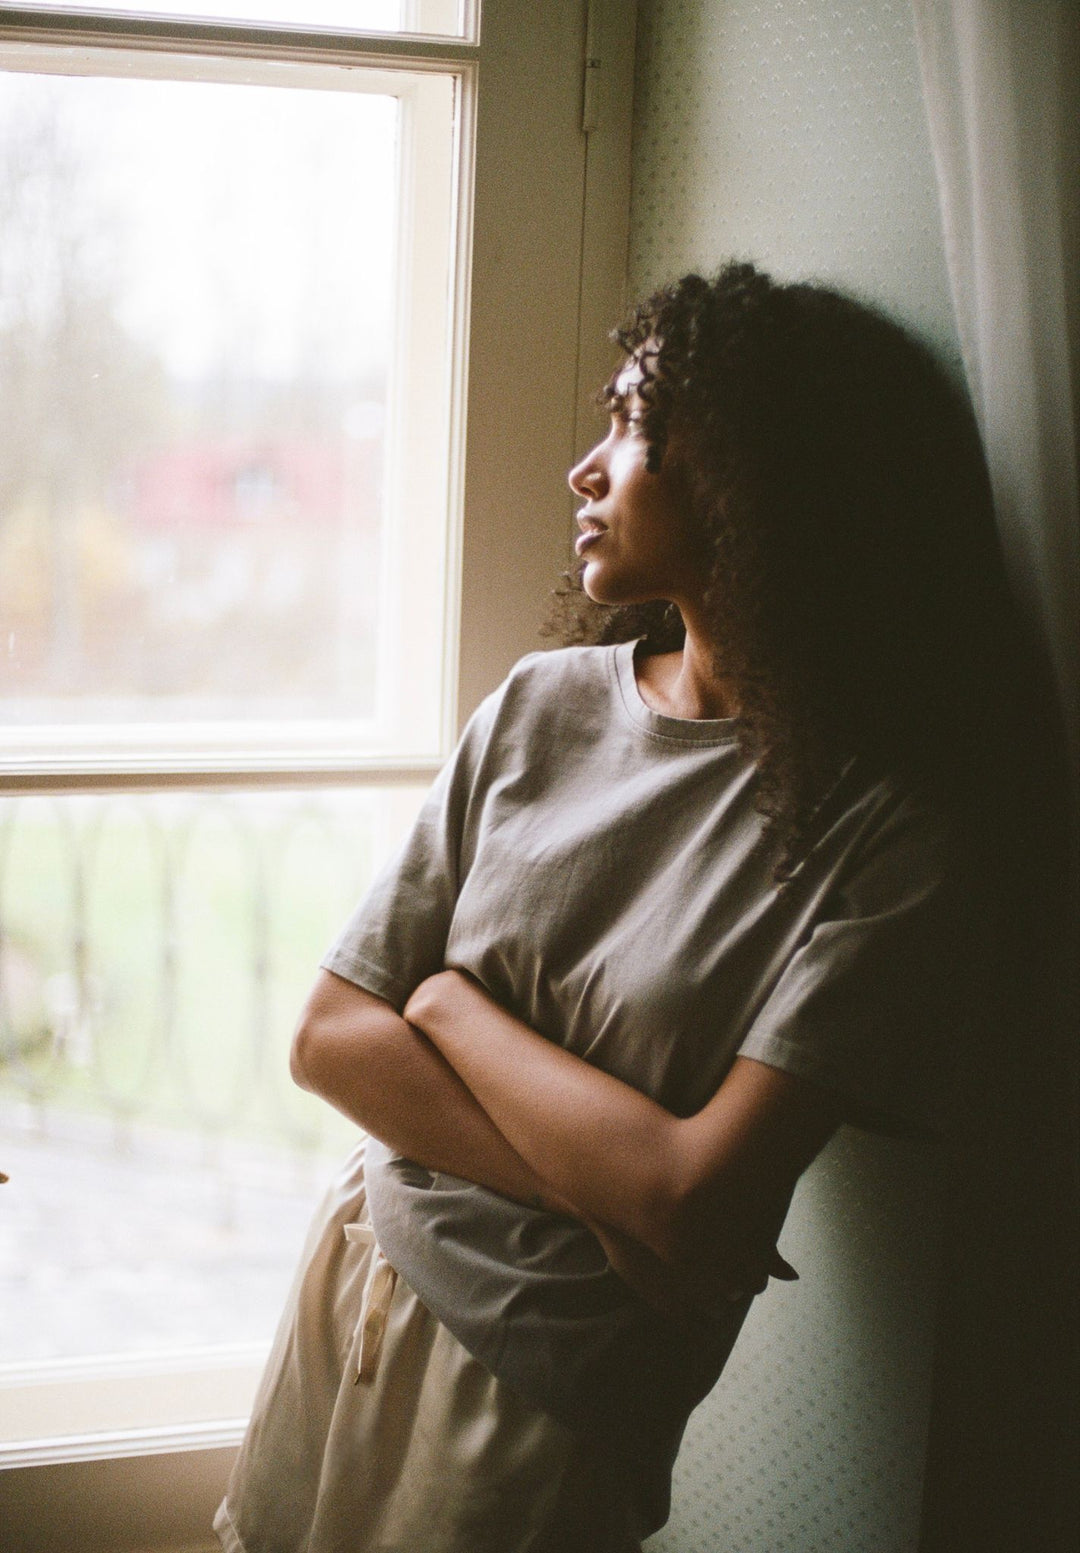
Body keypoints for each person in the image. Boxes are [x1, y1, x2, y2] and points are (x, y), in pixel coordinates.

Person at [214, 261, 1008, 1553]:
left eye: (634, 425)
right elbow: (328, 1039)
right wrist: (619, 1200)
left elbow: (693, 1202)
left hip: (545, 1395)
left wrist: (450, 1008)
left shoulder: (888, 839)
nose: (586, 469)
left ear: (761, 475)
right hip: (356, 1273)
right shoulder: (541, 706)